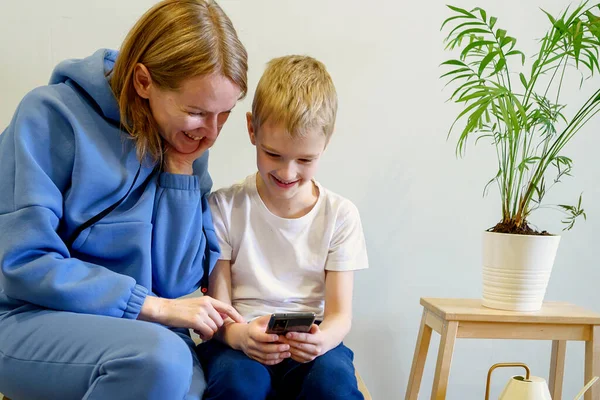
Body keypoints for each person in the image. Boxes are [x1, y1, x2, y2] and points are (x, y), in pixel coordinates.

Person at [0, 1, 247, 399]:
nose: (211, 133)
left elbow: (177, 283)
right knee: (159, 360)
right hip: (28, 318)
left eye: (225, 115)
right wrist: (150, 306)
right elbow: (23, 264)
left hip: (145, 333)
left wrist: (180, 170)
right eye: (197, 112)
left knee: (191, 381)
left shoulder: (186, 144)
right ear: (144, 81)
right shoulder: (48, 115)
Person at [197, 55, 369, 399]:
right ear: (251, 129)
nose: (288, 173)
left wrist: (322, 340)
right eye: (273, 154)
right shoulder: (225, 207)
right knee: (239, 385)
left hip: (310, 343)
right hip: (240, 336)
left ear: (326, 141)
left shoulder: (340, 215)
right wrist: (239, 335)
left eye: (305, 160)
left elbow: (339, 317)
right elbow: (218, 310)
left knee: (333, 386)